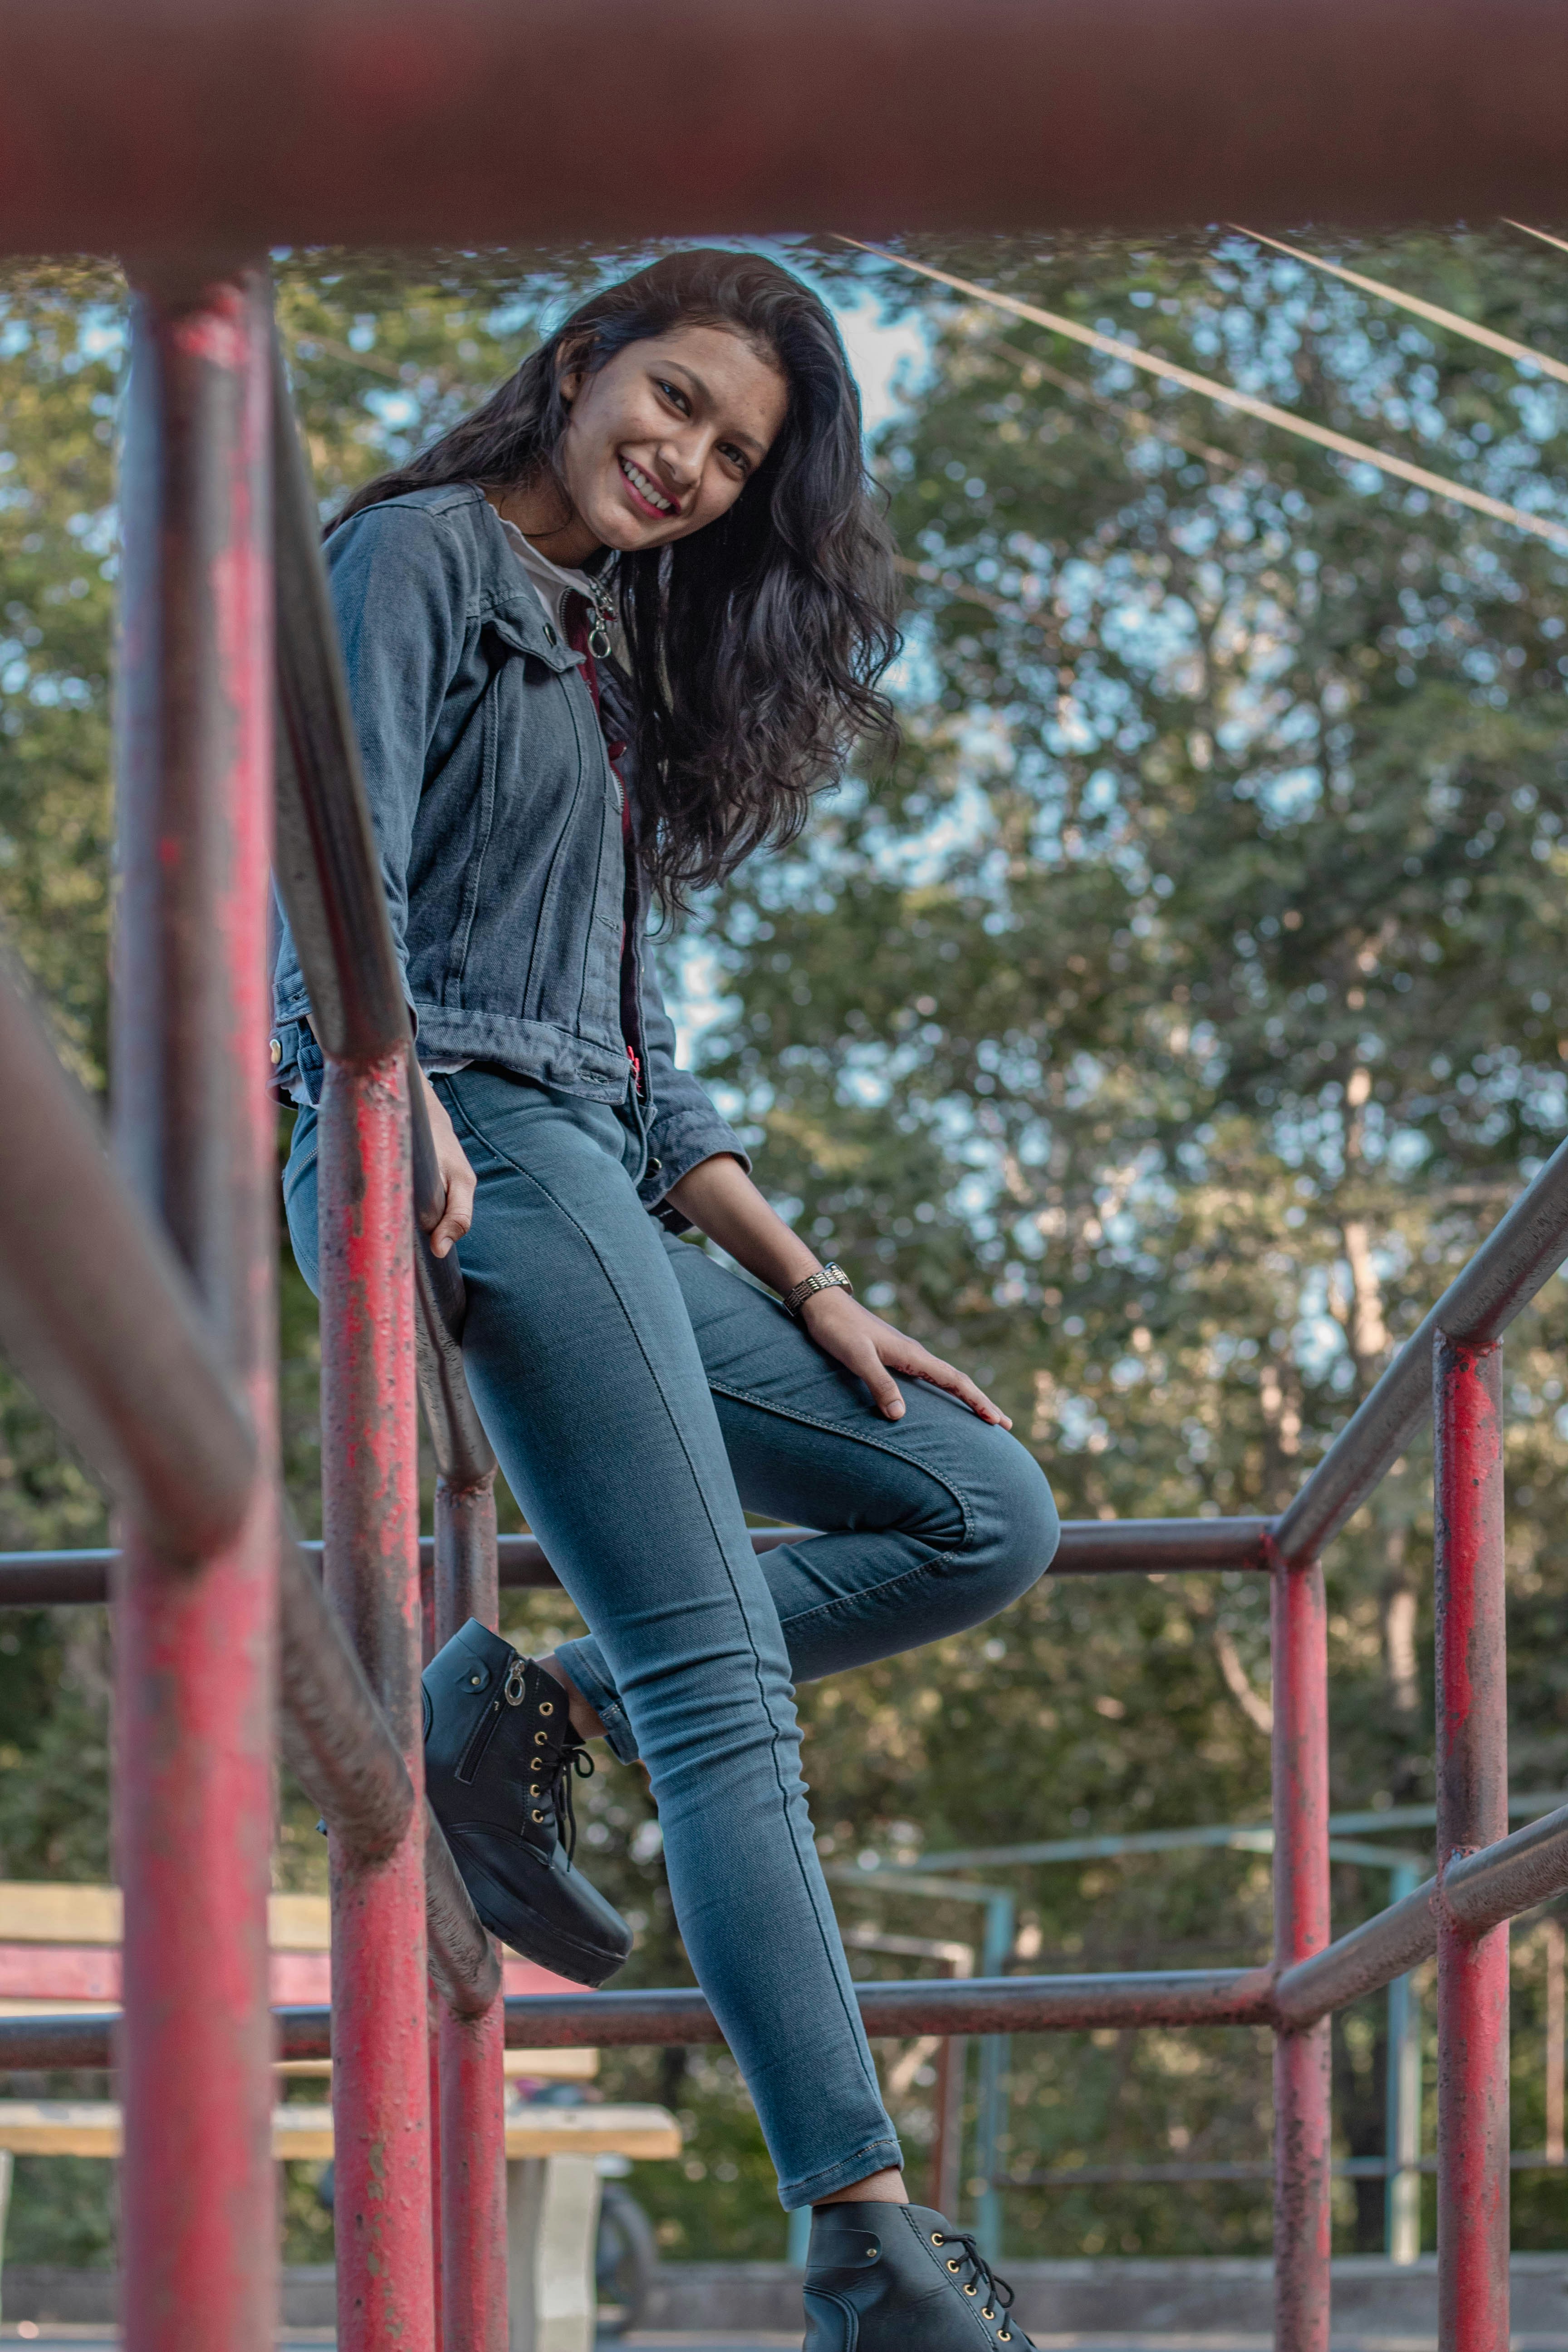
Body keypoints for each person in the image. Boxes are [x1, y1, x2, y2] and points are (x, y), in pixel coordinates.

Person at [274, 247, 1059, 2347]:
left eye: (734, 448)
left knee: (981, 1508)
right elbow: (317, 843)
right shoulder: (422, 554)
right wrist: (380, 1091)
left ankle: (530, 1705)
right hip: (475, 1164)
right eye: (678, 400)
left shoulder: (607, 649)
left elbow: (641, 1051)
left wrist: (812, 1287)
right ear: (578, 359)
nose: (690, 460)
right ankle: (866, 2245)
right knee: (731, 1698)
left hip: (604, 1175)